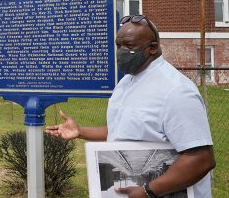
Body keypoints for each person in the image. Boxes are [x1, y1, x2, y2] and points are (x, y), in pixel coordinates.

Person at [46, 15, 215, 198]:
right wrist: (80, 131)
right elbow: (124, 130)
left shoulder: (176, 91)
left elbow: (201, 159)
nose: (121, 52)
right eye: (119, 46)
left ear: (152, 48)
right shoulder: (127, 81)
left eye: (129, 46)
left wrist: (147, 191)